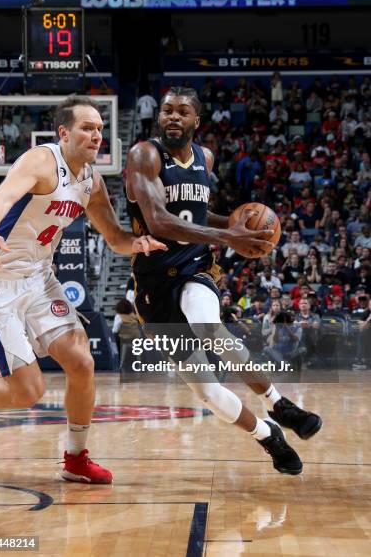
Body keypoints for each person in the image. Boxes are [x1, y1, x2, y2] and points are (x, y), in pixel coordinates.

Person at [0, 96, 166, 485]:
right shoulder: (42, 160)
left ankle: (76, 459)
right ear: (64, 132)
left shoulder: (90, 181)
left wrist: (137, 245)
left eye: (100, 129)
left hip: (40, 280)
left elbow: (115, 237)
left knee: (82, 363)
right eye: (87, 128)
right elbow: (1, 197)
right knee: (27, 392)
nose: (96, 135)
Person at [126, 86, 322, 476]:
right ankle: (268, 435)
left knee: (209, 326)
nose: (173, 117)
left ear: (197, 121)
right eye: (167, 111)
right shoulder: (144, 155)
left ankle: (279, 403)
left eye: (183, 111)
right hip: (152, 284)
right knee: (207, 391)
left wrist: (234, 225)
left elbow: (197, 213)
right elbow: (158, 221)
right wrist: (227, 236)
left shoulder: (206, 157)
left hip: (194, 265)